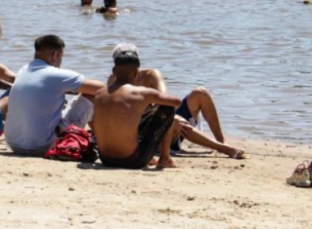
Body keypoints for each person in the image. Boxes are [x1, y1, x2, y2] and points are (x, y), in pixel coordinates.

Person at [104, 50, 244, 159]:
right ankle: (224, 149)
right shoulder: (113, 83)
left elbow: (166, 99)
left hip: (160, 123)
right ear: (115, 67)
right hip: (145, 133)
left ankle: (222, 142)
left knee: (201, 93)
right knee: (174, 119)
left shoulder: (149, 75)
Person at [4, 35, 104, 156]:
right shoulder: (55, 74)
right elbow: (101, 88)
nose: (61, 61)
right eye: (61, 56)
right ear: (54, 55)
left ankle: (97, 137)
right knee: (91, 96)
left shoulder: (22, 71)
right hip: (43, 146)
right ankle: (102, 140)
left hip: (13, 144)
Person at [94, 44, 181, 169]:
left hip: (105, 158)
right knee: (167, 107)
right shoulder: (141, 92)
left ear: (114, 71)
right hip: (131, 160)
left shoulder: (99, 93)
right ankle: (165, 158)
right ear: (136, 73)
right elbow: (177, 102)